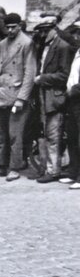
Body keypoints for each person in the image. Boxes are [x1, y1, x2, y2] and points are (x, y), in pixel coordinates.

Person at [0, 13, 36, 182]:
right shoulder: (2, 44)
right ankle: (0, 165)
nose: (9, 30)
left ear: (20, 26)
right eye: (7, 27)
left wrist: (22, 99)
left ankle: (15, 167)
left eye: (13, 27)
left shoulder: (27, 43)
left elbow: (30, 73)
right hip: (2, 95)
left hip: (17, 94)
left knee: (15, 134)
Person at [32, 15, 73, 184]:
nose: (43, 34)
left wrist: (42, 78)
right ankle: (48, 167)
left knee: (53, 135)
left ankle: (53, 170)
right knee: (47, 134)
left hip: (54, 96)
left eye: (45, 31)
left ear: (54, 30)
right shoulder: (45, 46)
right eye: (41, 31)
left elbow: (64, 75)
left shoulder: (62, 47)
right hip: (44, 96)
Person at [64, 46, 80, 189]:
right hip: (74, 101)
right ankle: (73, 173)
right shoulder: (78, 52)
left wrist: (76, 89)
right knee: (72, 137)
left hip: (78, 97)